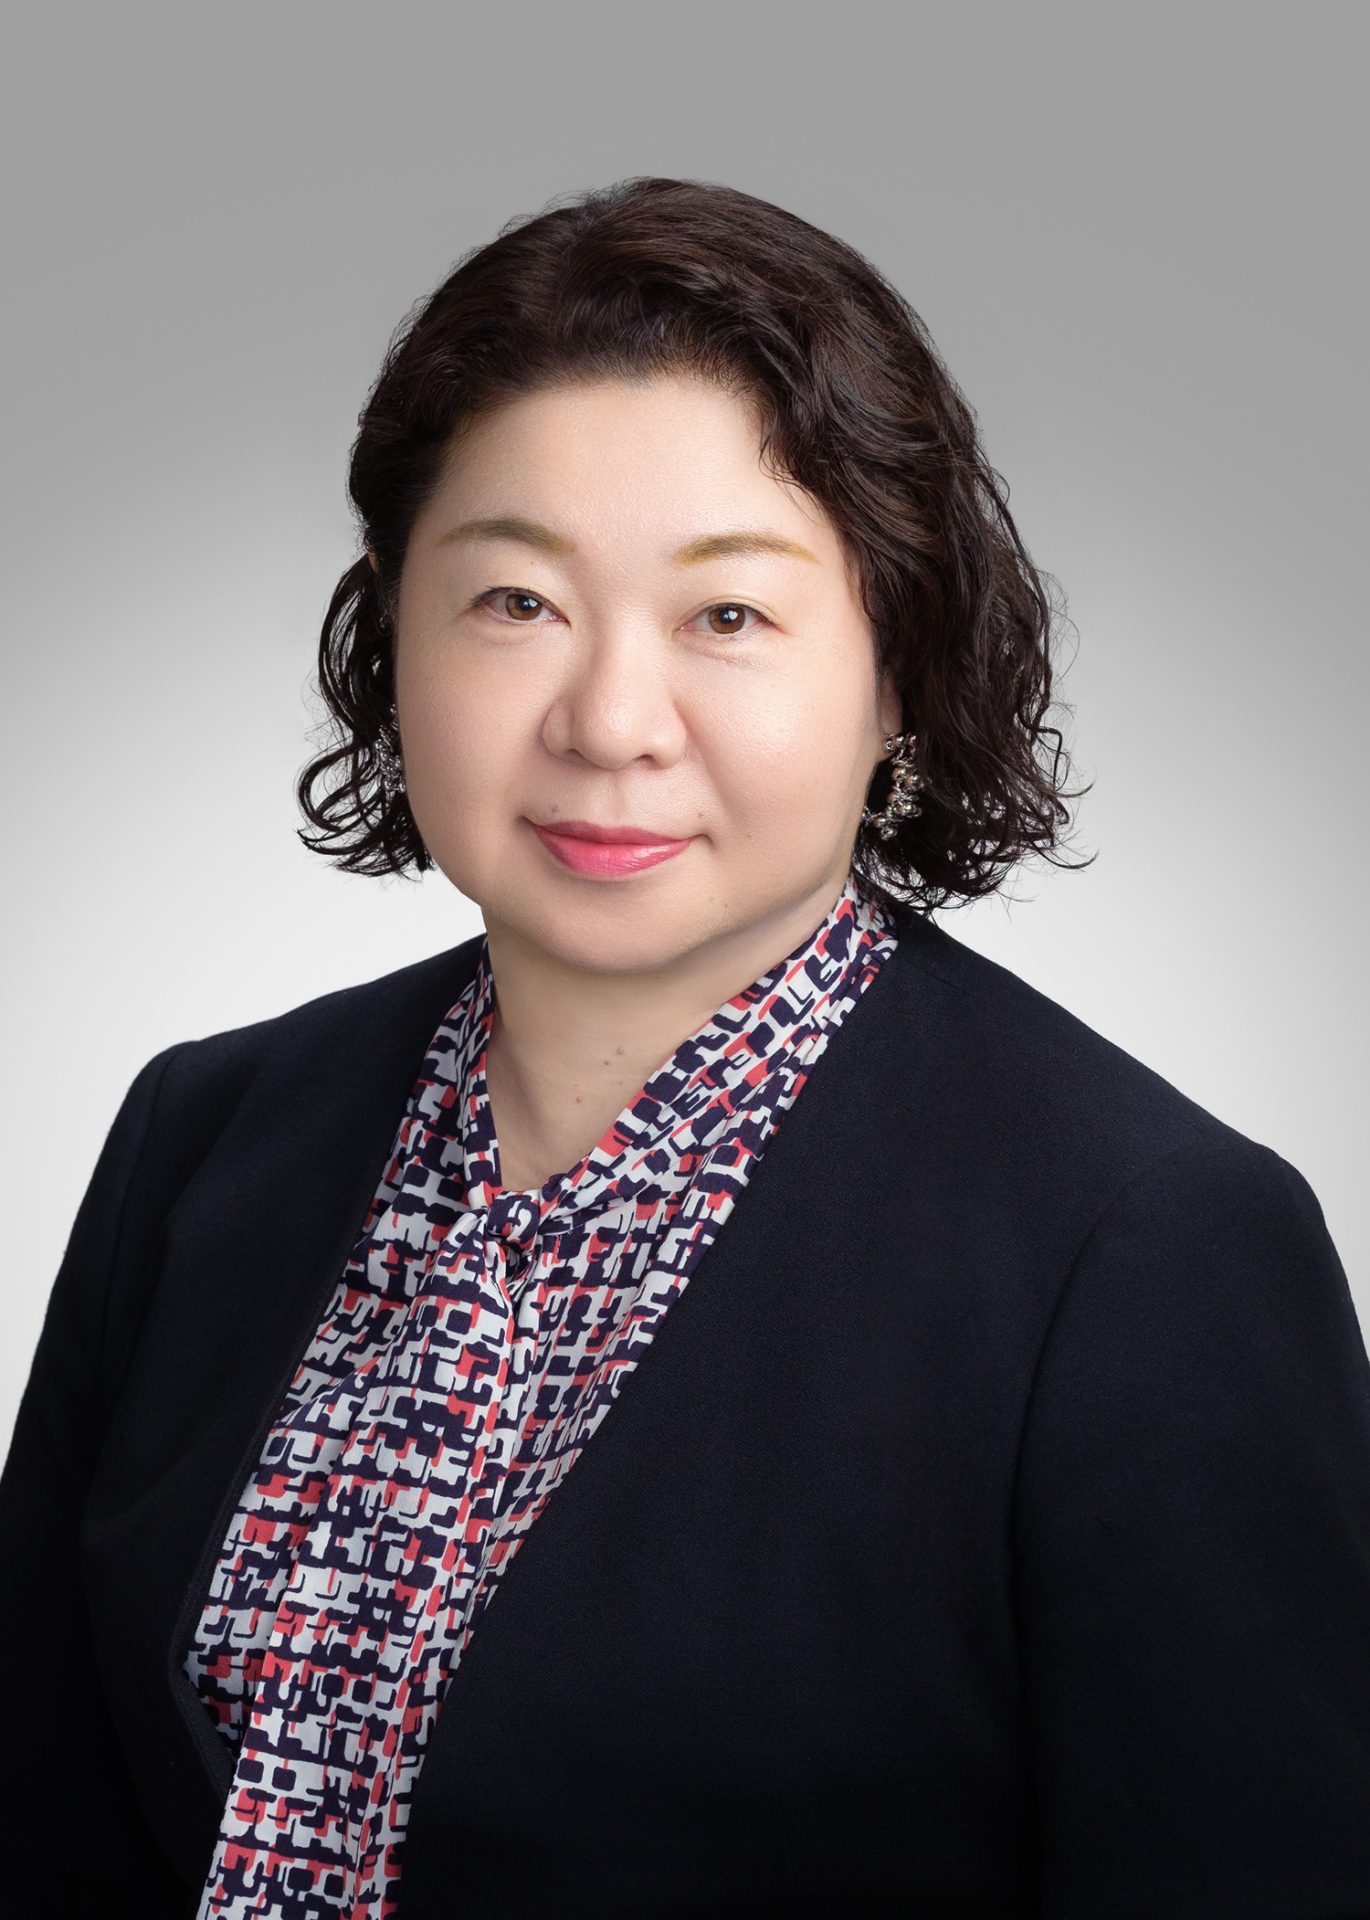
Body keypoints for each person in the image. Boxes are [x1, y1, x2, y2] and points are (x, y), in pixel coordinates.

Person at [2, 174, 1367, 1920]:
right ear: (391, 627)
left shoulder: (1150, 1252)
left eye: (728, 616)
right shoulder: (200, 1137)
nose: (608, 723)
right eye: (516, 602)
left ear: (894, 672)